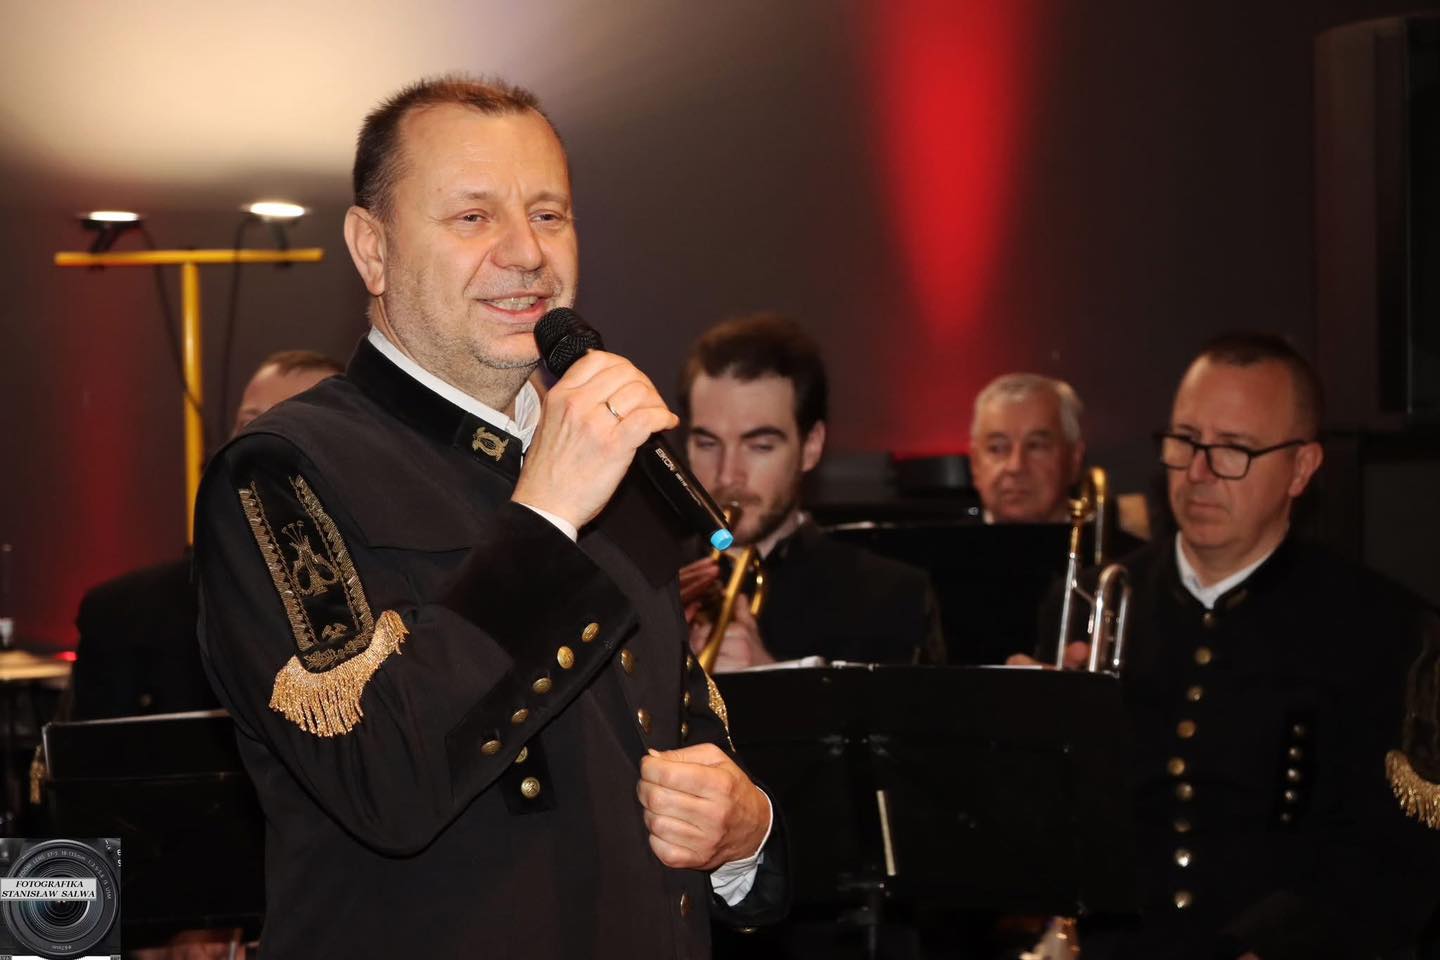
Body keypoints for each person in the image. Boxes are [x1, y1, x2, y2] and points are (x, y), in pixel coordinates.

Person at [194, 75, 785, 960]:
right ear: (372, 249)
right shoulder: (281, 472)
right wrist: (545, 513)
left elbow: (683, 732)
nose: (527, 252)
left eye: (548, 214)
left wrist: (747, 834)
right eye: (473, 217)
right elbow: (380, 779)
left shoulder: (610, 450)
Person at [1014, 333, 1440, 958]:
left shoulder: (1386, 629)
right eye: (1185, 441)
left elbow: (1393, 858)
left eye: (1234, 449)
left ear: (1301, 468)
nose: (1199, 472)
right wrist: (1019, 739)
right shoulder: (1093, 604)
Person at [70, 350, 342, 722]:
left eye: (293, 424)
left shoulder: (391, 605)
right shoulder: (125, 616)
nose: (260, 441)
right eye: (250, 422)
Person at [675, 313, 942, 671]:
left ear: (811, 446)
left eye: (760, 446)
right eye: (708, 444)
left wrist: (768, 676)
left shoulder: (892, 597)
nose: (727, 475)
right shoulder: (637, 579)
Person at [969, 373, 1086, 525]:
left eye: (1035, 446)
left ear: (1074, 460)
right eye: (997, 448)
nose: (1015, 467)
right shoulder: (941, 540)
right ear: (975, 464)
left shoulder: (1106, 540)